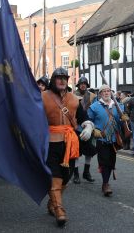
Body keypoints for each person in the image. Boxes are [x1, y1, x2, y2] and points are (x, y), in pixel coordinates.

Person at [42, 67, 94, 226]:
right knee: (55, 176)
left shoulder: (74, 99)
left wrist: (88, 126)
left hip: (71, 144)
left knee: (66, 177)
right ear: (53, 80)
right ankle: (59, 209)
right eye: (59, 78)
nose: (62, 80)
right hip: (50, 142)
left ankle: (52, 202)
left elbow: (83, 117)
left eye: (65, 78)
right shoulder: (42, 97)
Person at [88, 84, 128, 196]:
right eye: (104, 91)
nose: (106, 93)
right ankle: (106, 184)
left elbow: (121, 123)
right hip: (101, 138)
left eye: (108, 91)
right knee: (104, 161)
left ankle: (106, 182)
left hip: (114, 139)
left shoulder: (119, 106)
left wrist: (124, 119)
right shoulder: (94, 107)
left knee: (111, 162)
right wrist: (92, 129)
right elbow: (87, 121)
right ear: (100, 94)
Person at [73, 76, 97, 184]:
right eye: (81, 83)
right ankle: (76, 174)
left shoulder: (92, 96)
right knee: (76, 151)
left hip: (89, 126)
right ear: (78, 85)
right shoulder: (72, 95)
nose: (83, 85)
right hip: (76, 126)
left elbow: (95, 109)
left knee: (89, 150)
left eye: (85, 83)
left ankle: (86, 172)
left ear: (87, 85)